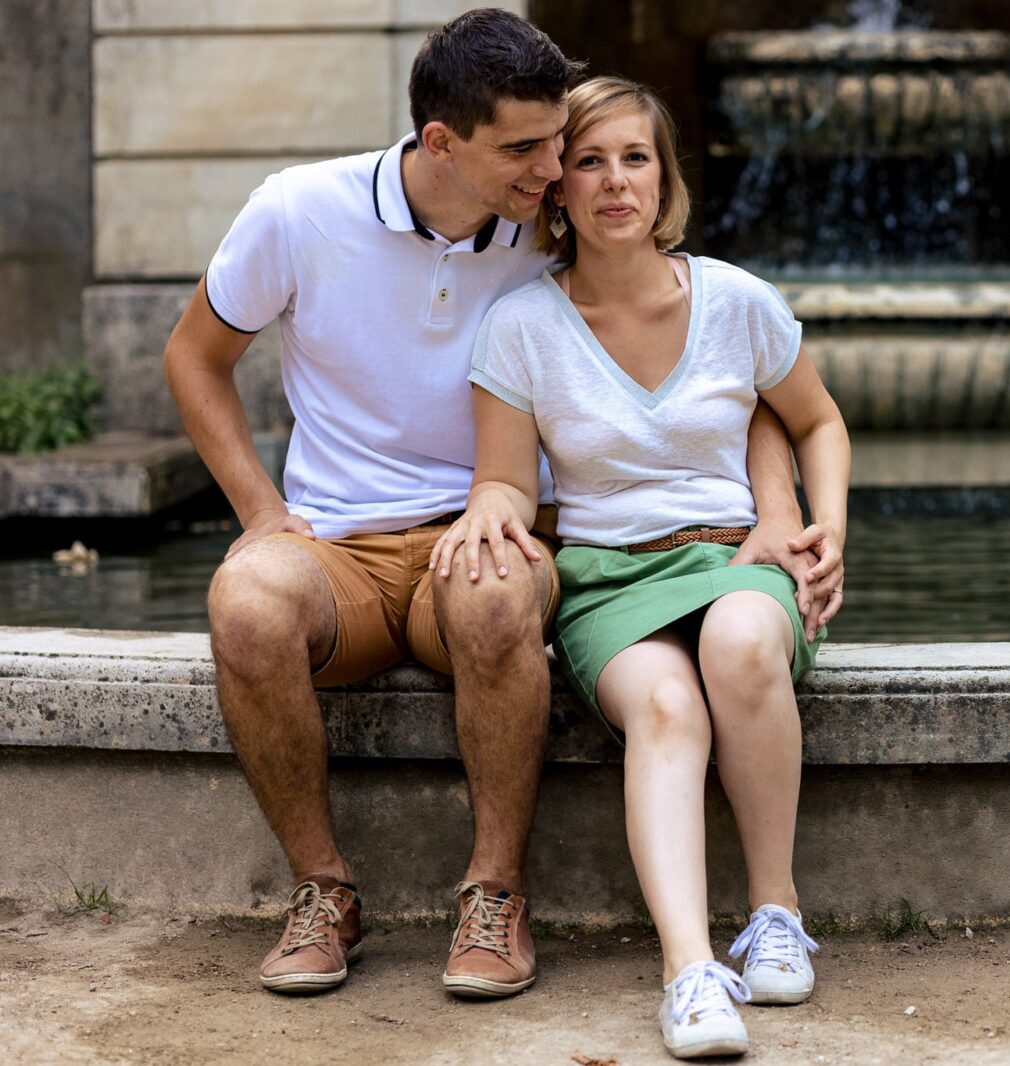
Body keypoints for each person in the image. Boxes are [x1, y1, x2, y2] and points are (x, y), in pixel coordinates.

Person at [162, 10, 836, 999]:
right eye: (527, 148)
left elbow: (736, 370)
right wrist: (262, 512)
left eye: (559, 141)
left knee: (491, 591)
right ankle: (320, 889)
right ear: (442, 143)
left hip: (489, 530)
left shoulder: (555, 225)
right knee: (246, 599)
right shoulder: (298, 211)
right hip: (337, 547)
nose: (556, 167)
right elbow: (194, 355)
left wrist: (774, 500)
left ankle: (494, 891)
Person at [429, 76, 850, 1058]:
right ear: (557, 190)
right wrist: (482, 520)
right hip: (607, 582)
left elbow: (817, 419)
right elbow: (501, 477)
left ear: (663, 180)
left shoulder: (738, 301)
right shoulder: (522, 326)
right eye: (589, 160)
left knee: (745, 643)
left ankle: (775, 913)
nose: (615, 181)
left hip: (734, 556)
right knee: (665, 708)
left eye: (635, 158)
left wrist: (823, 526)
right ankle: (689, 971)